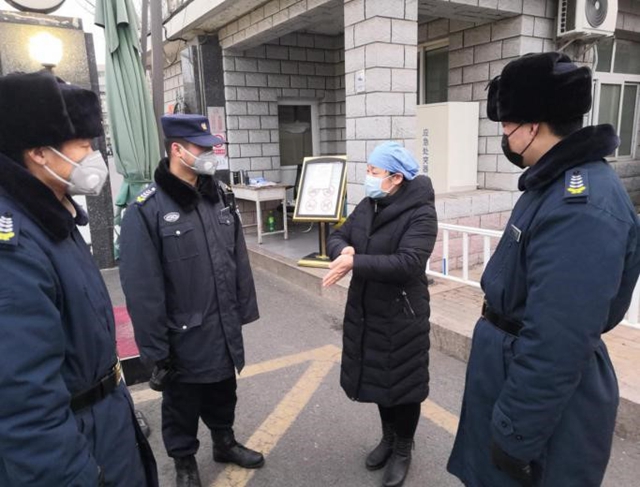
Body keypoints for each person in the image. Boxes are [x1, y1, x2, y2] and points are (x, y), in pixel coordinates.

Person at [447, 52, 640, 486]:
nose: (504, 135)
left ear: (532, 126)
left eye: (506, 126)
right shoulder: (551, 181)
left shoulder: (580, 206)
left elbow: (559, 340)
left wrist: (516, 433)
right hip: (510, 370)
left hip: (539, 403)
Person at [0, 71, 158, 486]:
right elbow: (24, 402)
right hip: (79, 443)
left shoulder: (54, 216)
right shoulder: (14, 247)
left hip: (105, 422)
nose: (94, 156)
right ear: (39, 152)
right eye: (85, 145)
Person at [119, 114, 263, 487]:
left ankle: (224, 442)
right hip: (182, 334)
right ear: (177, 150)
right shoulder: (147, 208)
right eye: (202, 148)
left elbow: (237, 257)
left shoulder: (219, 196)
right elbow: (142, 288)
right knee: (181, 404)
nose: (210, 155)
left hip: (222, 324)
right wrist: (155, 350)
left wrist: (241, 310)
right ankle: (184, 462)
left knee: (223, 392)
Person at [323, 142, 438, 487]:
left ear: (396, 177)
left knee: (404, 385)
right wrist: (344, 249)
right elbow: (338, 234)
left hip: (402, 314)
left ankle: (403, 448)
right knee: (378, 378)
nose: (368, 177)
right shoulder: (369, 204)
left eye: (374, 172)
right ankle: (388, 438)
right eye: (369, 171)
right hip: (367, 309)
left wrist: (355, 262)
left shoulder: (421, 213)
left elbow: (409, 263)